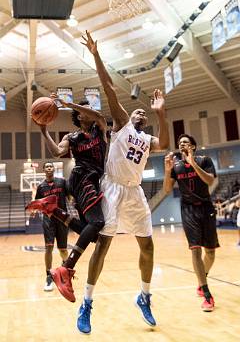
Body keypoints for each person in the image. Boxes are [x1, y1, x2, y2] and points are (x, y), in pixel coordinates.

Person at [70, 30, 169, 334]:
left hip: (135, 192)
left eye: (143, 112)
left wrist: (161, 113)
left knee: (148, 247)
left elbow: (164, 142)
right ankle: (87, 304)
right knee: (103, 247)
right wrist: (97, 54)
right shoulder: (122, 125)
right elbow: (109, 88)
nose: (140, 112)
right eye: (137, 110)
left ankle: (145, 296)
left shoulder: (146, 137)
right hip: (112, 188)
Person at [26, 97, 107, 302]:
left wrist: (69, 104)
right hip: (82, 179)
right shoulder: (72, 137)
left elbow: (98, 115)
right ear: (79, 116)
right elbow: (57, 151)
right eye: (85, 109)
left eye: (89, 108)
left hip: (95, 180)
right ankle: (66, 268)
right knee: (98, 222)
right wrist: (44, 130)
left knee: (95, 236)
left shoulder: (100, 127)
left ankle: (55, 210)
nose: (90, 111)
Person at [163, 134, 220, 312]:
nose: (182, 144)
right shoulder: (176, 166)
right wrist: (167, 170)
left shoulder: (204, 160)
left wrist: (193, 163)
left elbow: (210, 181)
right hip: (188, 209)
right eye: (180, 143)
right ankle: (207, 294)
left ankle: (202, 277)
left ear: (193, 146)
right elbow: (166, 189)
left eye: (186, 142)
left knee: (210, 252)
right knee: (196, 250)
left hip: (206, 207)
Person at [31, 162, 69, 292]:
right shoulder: (41, 187)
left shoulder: (62, 182)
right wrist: (34, 209)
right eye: (46, 167)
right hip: (48, 220)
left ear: (54, 169)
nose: (49, 168)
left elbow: (70, 197)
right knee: (49, 248)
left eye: (50, 166)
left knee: (63, 250)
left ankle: (65, 273)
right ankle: (49, 276)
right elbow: (37, 204)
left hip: (62, 219)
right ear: (44, 170)